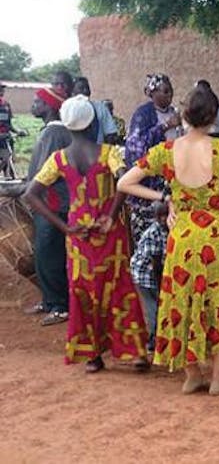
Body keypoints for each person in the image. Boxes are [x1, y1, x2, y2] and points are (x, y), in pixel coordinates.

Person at [117, 83, 219, 394]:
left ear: (184, 114)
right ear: (214, 118)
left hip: (182, 235)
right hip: (218, 234)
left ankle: (192, 375)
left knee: (181, 301)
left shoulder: (166, 151)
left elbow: (125, 182)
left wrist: (165, 197)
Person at [24, 95, 148, 372]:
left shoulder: (58, 159)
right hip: (109, 233)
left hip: (78, 236)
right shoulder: (109, 153)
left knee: (83, 292)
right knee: (119, 288)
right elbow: (125, 182)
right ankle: (134, 353)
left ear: (67, 125)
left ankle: (92, 356)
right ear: (92, 122)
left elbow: (31, 194)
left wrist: (64, 226)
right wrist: (112, 214)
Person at [23, 82, 72, 325]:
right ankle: (50, 299)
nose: (34, 105)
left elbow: (45, 173)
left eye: (38, 101)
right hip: (48, 201)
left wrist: (22, 188)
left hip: (52, 203)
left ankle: (60, 305)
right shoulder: (51, 131)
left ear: (49, 107)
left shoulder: (54, 133)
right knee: (44, 253)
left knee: (50, 253)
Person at [124, 74, 182, 245]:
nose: (170, 95)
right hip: (150, 182)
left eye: (171, 91)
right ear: (152, 92)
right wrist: (165, 126)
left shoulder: (174, 113)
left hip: (172, 176)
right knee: (149, 238)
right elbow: (136, 146)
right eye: (165, 91)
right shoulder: (142, 115)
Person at [130, 201, 168, 356]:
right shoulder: (154, 233)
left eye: (166, 215)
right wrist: (161, 287)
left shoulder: (170, 229)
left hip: (157, 274)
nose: (164, 219)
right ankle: (153, 341)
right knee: (154, 308)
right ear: (156, 217)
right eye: (161, 216)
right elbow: (155, 263)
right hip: (145, 275)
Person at [70, 77, 120, 145]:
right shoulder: (69, 111)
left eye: (87, 87)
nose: (85, 91)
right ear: (73, 91)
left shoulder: (100, 107)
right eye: (81, 88)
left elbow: (110, 132)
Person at [0, 83, 26, 179]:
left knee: (7, 158)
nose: (1, 91)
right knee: (6, 156)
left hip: (5, 137)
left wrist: (18, 132)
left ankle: (11, 179)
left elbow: (8, 124)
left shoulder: (6, 105)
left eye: (2, 89)